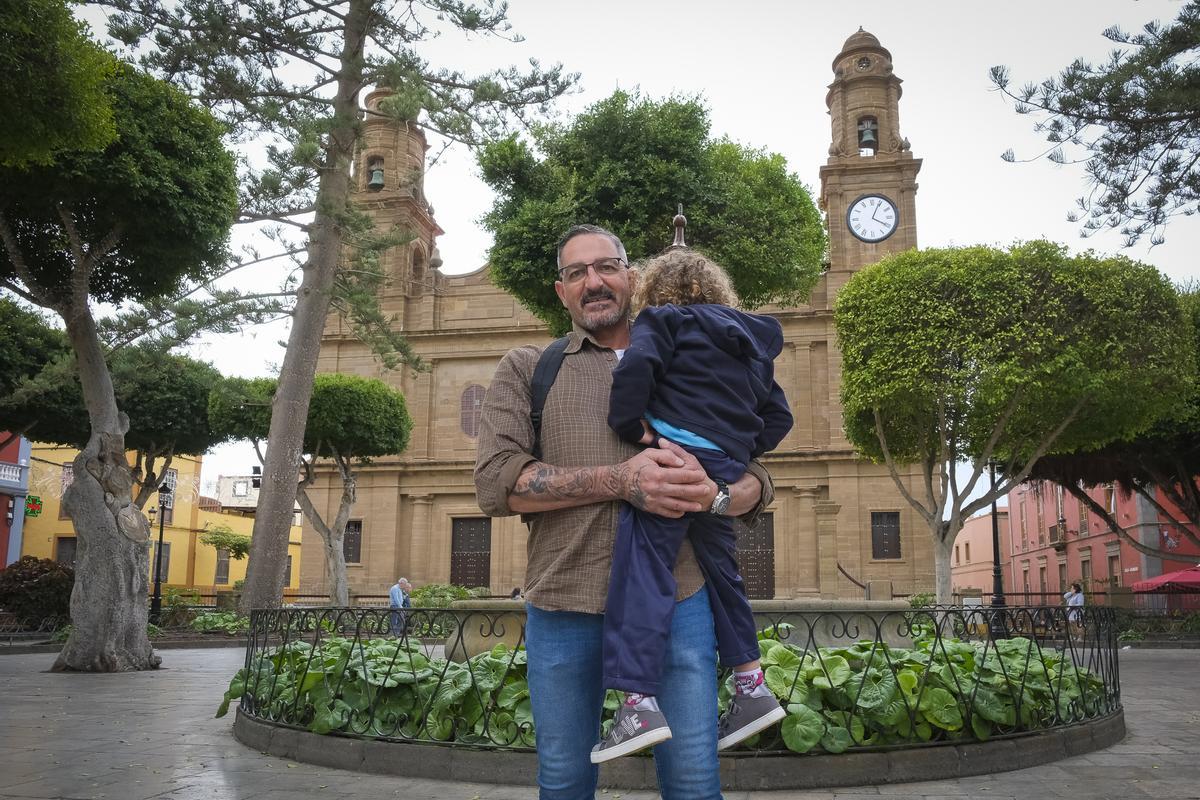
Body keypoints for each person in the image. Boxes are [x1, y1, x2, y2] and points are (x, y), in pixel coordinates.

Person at [474, 224, 773, 800]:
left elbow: (754, 469)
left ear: (631, 277)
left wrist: (717, 495)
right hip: (563, 602)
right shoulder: (530, 368)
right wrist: (620, 481)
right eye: (576, 273)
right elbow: (495, 483)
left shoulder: (690, 351)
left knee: (693, 780)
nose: (593, 281)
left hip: (680, 600)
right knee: (564, 780)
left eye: (606, 266)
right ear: (561, 291)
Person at [594, 249, 791, 763]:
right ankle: (751, 686)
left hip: (675, 458)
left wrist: (632, 426)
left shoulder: (662, 320)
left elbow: (638, 369)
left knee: (644, 568)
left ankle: (637, 704)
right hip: (722, 469)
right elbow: (780, 416)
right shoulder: (752, 344)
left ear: (654, 291)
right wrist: (736, 451)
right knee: (725, 575)